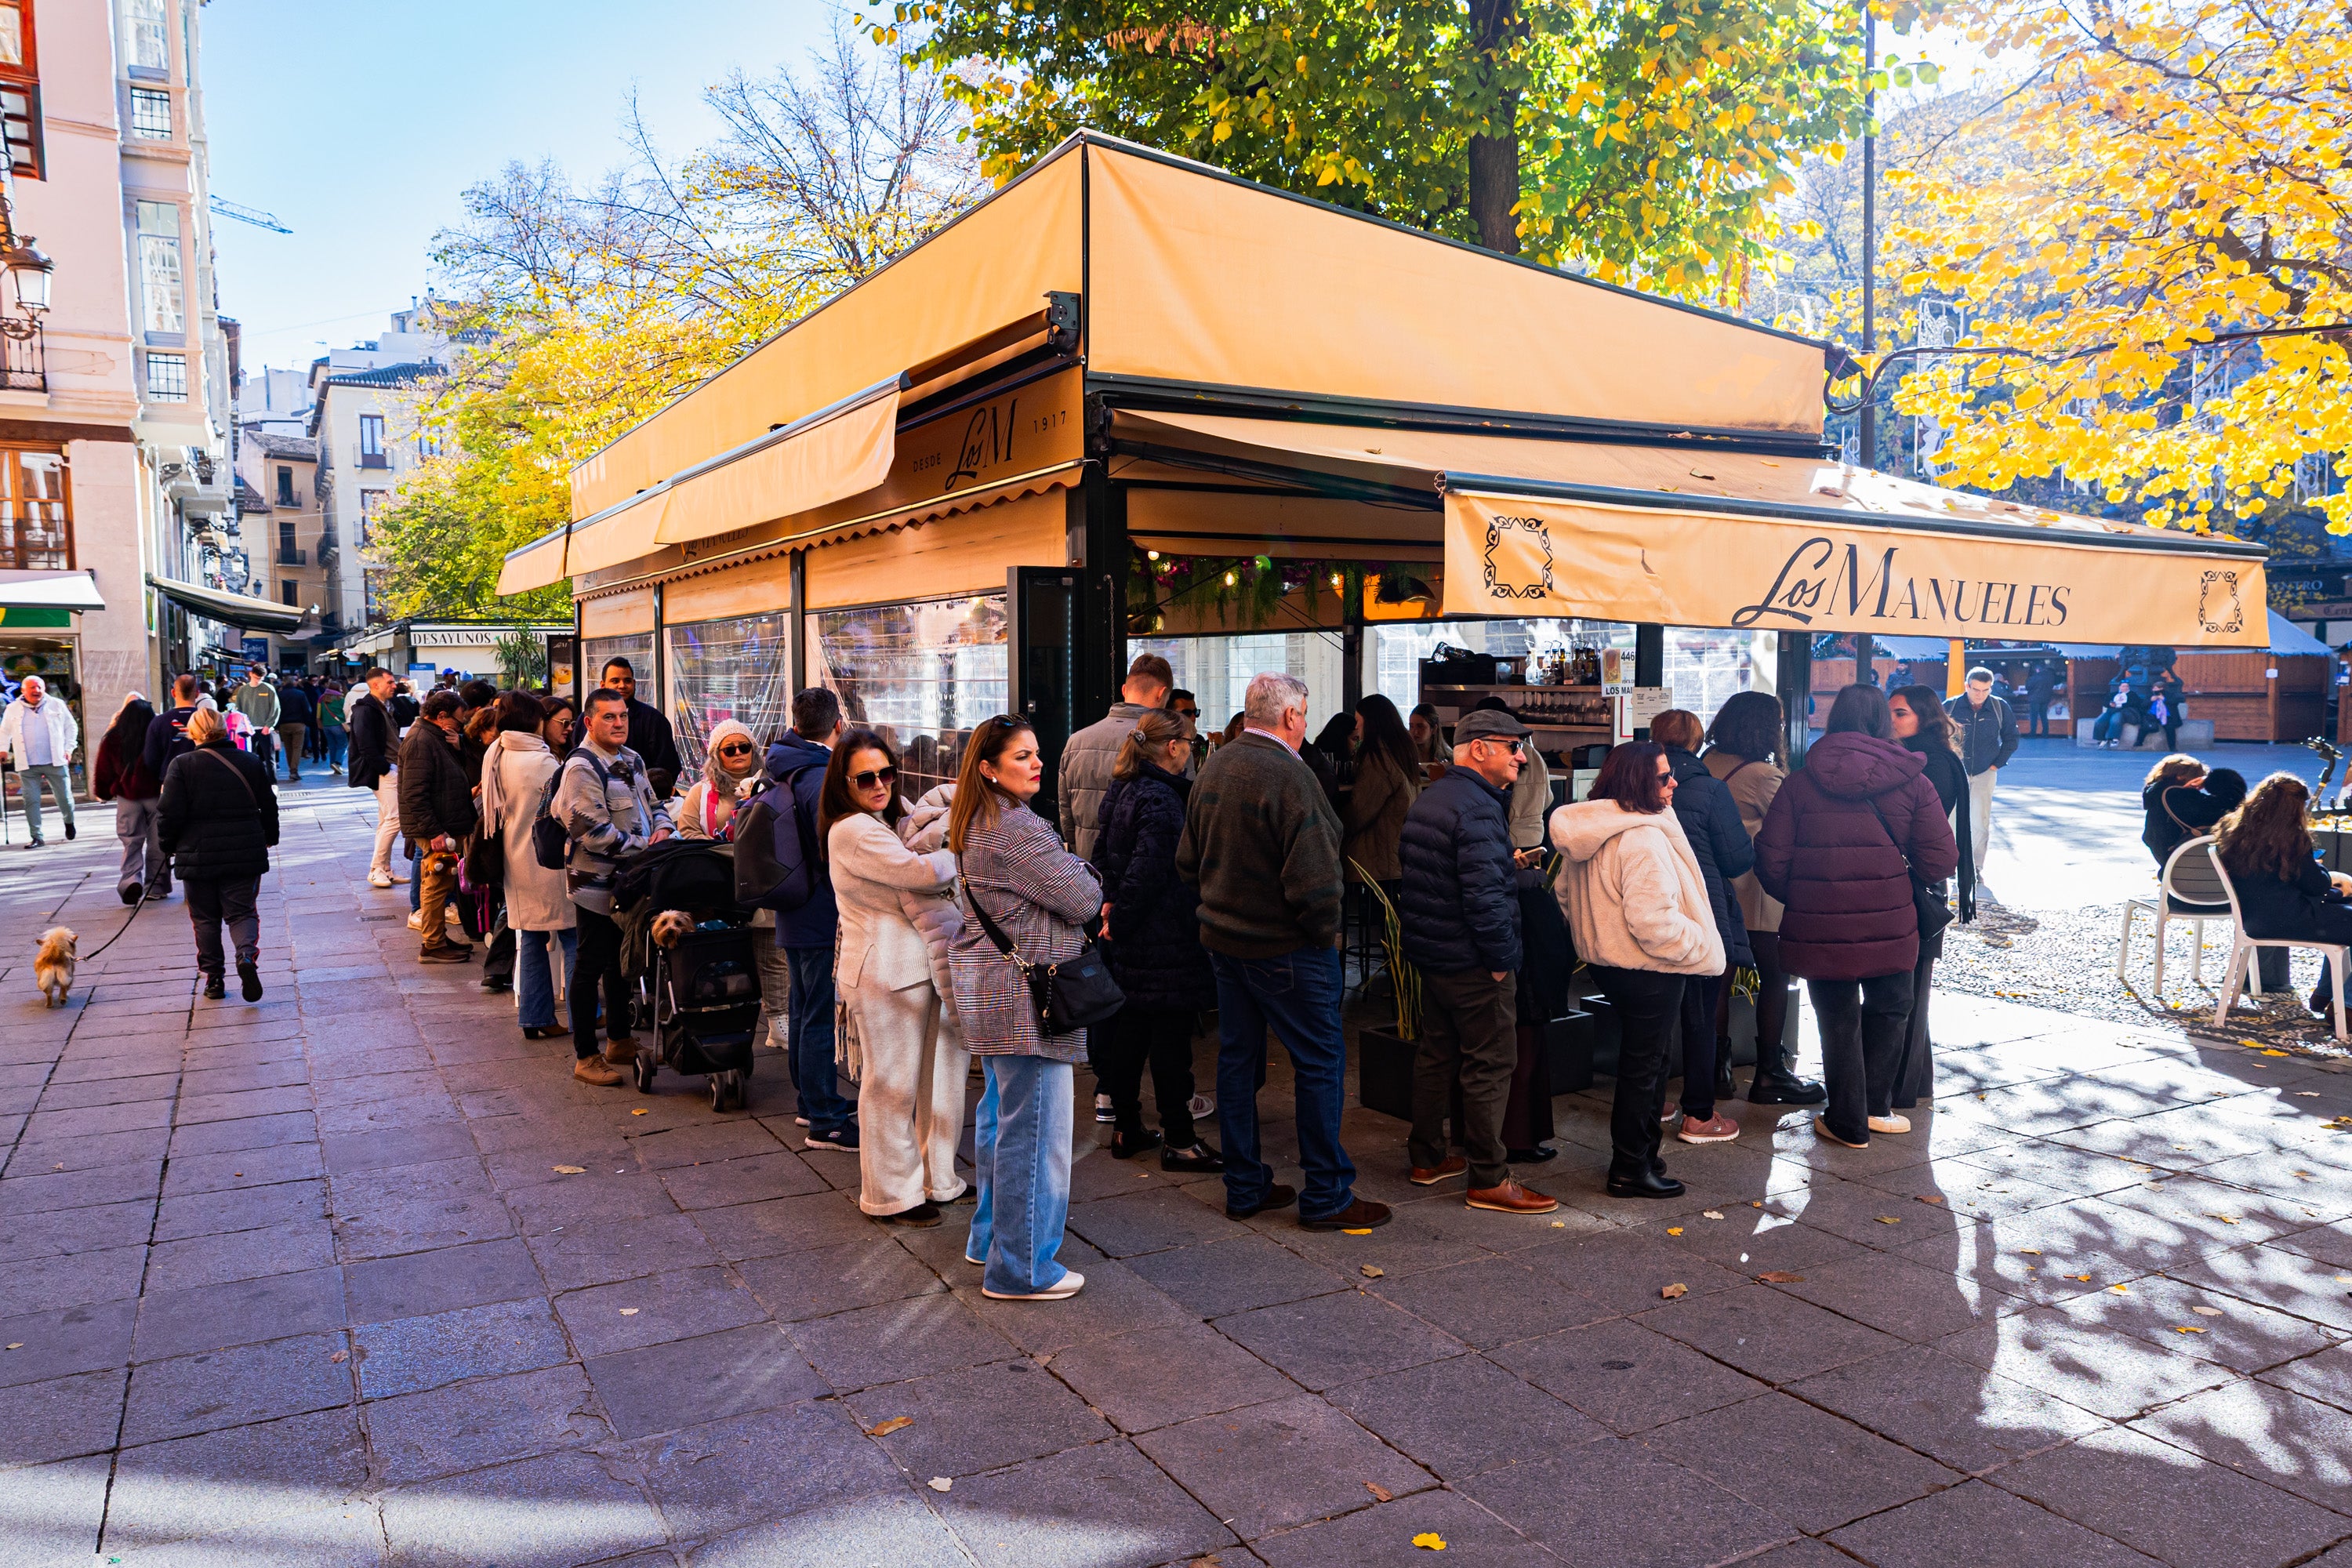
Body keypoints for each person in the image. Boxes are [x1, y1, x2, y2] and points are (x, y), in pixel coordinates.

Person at [1177, 672, 1390, 1231]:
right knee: (1320, 1064)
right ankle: (1327, 1196)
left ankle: (1244, 1186)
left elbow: (1186, 861)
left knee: (1237, 1063)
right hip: (1287, 949)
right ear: (1293, 717)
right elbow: (1318, 883)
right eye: (1305, 712)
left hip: (1225, 943)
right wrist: (1323, 934)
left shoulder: (1216, 764)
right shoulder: (1292, 779)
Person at [1756, 684, 1958, 1149]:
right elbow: (1940, 860)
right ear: (1882, 724)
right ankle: (1874, 1107)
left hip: (1820, 922)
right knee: (1891, 1007)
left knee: (1837, 1017)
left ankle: (1847, 1120)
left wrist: (1806, 894)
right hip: (1892, 923)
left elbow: (1771, 860)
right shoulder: (1914, 780)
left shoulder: (1801, 782)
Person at [949, 715, 1105, 1299]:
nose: (1037, 763)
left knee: (1001, 1123)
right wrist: (1082, 868)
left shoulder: (977, 820)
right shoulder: (1016, 829)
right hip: (1027, 1001)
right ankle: (1022, 1269)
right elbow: (1084, 896)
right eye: (1021, 756)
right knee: (1034, 1136)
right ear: (988, 768)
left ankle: (989, 1239)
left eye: (1037, 753)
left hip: (996, 993)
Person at [1398, 706, 1558, 1214]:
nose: (1521, 756)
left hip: (1434, 954)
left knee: (1436, 1055)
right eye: (1512, 746)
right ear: (1479, 748)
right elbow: (1485, 897)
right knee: (1491, 1064)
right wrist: (1499, 962)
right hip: (1472, 961)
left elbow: (1432, 878)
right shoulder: (1476, 807)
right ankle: (1490, 1178)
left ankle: (1426, 1158)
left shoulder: (1435, 797)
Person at [1551, 742, 1724, 1198]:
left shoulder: (1590, 828)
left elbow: (1564, 895)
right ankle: (1630, 1167)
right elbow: (1653, 921)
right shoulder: (1642, 836)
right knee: (1644, 1069)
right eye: (1663, 777)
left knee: (1646, 1063)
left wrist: (1597, 938)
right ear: (1635, 783)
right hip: (1650, 968)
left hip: (1610, 965)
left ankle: (1645, 1153)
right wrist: (1698, 944)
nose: (1674, 783)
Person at [826, 728, 967, 1228]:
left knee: (939, 1078)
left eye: (886, 773)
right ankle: (890, 1194)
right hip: (883, 972)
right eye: (866, 778)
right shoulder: (851, 830)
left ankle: (937, 1177)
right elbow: (921, 873)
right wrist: (962, 852)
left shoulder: (887, 819)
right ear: (844, 783)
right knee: (891, 1086)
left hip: (920, 965)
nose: (880, 784)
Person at [1091, 708, 1221, 1169]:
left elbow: (1101, 854)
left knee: (1131, 1032)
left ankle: (1127, 1127)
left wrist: (1110, 908)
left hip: (1133, 939)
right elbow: (1149, 872)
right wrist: (1122, 915)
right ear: (1173, 747)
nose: (1192, 751)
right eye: (1190, 742)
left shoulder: (1124, 787)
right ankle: (1181, 1140)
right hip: (1165, 938)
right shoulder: (1164, 800)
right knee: (1170, 1042)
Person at [1700, 692, 1821, 1105]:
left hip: (1714, 890)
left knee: (1719, 977)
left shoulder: (1706, 762)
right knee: (1774, 977)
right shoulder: (1765, 776)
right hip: (1758, 892)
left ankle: (1717, 1070)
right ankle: (1771, 1072)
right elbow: (1795, 830)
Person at [556, 687, 673, 1083]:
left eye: (622, 716)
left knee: (622, 963)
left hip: (632, 881)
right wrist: (646, 847)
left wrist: (665, 831)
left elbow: (656, 806)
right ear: (589, 722)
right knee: (590, 965)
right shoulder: (582, 767)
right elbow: (592, 833)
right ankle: (586, 1056)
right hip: (595, 884)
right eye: (609, 717)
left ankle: (620, 1040)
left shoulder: (633, 758)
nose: (619, 722)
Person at [1649, 708, 1753, 1143]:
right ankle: (1698, 1114)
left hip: (1652, 912)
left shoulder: (1629, 784)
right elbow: (1736, 859)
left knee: (1652, 1014)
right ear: (1695, 742)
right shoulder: (1710, 789)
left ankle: (1653, 1102)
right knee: (1701, 1015)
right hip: (1703, 914)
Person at [766, 688, 856, 1149]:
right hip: (819, 906)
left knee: (804, 1008)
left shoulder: (782, 762)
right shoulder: (818, 777)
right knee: (818, 1013)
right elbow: (834, 849)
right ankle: (825, 1117)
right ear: (837, 726)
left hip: (793, 904)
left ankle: (811, 1101)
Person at [1888, 685, 1976, 1111]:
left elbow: (1924, 828)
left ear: (1924, 716)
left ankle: (1903, 1086)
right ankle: (1913, 1080)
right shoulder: (1911, 756)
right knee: (1904, 988)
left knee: (1911, 987)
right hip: (1909, 879)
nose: (1892, 720)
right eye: (1890, 712)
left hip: (1920, 882)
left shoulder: (1933, 763)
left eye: (1901, 713)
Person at [156, 706, 278, 1002]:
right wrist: (269, 838)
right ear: (225, 729)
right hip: (244, 850)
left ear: (193, 732)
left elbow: (168, 813)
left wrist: (168, 845)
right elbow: (268, 804)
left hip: (197, 853)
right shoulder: (250, 761)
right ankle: (246, 956)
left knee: (205, 918)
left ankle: (214, 979)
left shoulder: (182, 765)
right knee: (242, 912)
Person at [2216, 773, 2352, 1017]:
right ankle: (2347, 1006)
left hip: (2253, 919)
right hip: (2290, 919)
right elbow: (2317, 886)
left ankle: (2326, 995)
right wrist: (2316, 865)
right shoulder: (2291, 838)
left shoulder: (2233, 829)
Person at [483, 691, 576, 1043]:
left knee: (533, 939)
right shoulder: (541, 763)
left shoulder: (499, 753)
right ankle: (588, 1015)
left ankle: (535, 1016)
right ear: (533, 720)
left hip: (516, 859)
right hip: (547, 863)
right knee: (574, 935)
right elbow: (566, 812)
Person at [1058, 652, 1173, 861]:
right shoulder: (1168, 743)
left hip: (1088, 867)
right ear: (1161, 693)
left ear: (1124, 690)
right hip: (1145, 867)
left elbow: (1066, 817)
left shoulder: (1076, 741)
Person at [398, 690, 476, 964]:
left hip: (445, 822)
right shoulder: (421, 740)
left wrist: (458, 746)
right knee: (435, 882)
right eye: (458, 720)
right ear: (441, 716)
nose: (461, 725)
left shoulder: (436, 737)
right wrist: (434, 832)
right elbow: (414, 793)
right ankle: (432, 943)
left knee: (439, 883)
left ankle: (437, 938)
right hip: (437, 826)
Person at [1343, 694, 1422, 897]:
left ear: (1371, 724)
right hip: (1400, 855)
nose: (1358, 730)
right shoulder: (1403, 752)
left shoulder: (1378, 758)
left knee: (1377, 923)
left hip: (1377, 861)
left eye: (1359, 723)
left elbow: (1360, 812)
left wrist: (1335, 824)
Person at [93, 695, 169, 904]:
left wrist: (103, 792)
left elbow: (103, 769)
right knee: (158, 842)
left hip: (128, 796)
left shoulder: (112, 738)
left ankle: (130, 880)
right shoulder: (156, 735)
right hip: (156, 795)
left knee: (131, 841)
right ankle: (156, 886)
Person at [1944, 667, 2015, 880]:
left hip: (1985, 771)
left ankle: (1974, 867)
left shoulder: (1999, 707)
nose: (1980, 695)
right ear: (1967, 686)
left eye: (1985, 690)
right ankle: (1950, 865)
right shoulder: (1951, 706)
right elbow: (1937, 735)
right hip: (1956, 772)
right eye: (1976, 690)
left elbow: (2012, 738)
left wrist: (1997, 764)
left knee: (1979, 822)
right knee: (1951, 820)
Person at [0, 674, 78, 848]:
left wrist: (68, 749)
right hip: (27, 763)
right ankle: (37, 836)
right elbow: (4, 731)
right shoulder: (12, 708)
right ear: (23, 691)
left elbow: (71, 727)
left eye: (39, 687)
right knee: (31, 800)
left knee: (64, 797)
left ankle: (69, 821)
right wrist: (3, 750)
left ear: (44, 689)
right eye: (32, 688)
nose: (36, 691)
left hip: (55, 760)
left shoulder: (56, 704)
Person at [348, 667, 403, 888]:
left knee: (385, 820)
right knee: (395, 818)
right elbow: (365, 745)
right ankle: (376, 868)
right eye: (390, 682)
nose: (394, 685)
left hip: (391, 768)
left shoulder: (385, 706)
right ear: (376, 685)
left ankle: (385, 869)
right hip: (385, 771)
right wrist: (385, 769)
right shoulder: (366, 710)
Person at [598, 658, 681, 799]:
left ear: (634, 683)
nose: (622, 685)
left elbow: (667, 770)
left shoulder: (654, 720)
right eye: (615, 681)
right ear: (603, 685)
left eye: (627, 681)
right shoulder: (587, 720)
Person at [676, 719, 765, 842]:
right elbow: (688, 832)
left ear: (752, 751)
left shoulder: (768, 785)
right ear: (717, 756)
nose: (738, 753)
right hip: (714, 857)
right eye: (730, 750)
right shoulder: (699, 792)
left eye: (744, 747)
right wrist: (724, 850)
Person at [2140, 753, 2211, 867]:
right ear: (2181, 777)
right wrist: (2214, 782)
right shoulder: (2181, 796)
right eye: (2197, 776)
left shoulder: (2156, 793)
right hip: (2188, 860)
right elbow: (2228, 807)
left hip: (2169, 857)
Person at [144, 673, 205, 782]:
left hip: (171, 781)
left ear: (173, 693)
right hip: (203, 780)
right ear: (197, 694)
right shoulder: (208, 721)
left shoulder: (159, 722)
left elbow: (151, 760)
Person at [229, 666, 281, 779]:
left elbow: (275, 708)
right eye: (256, 678)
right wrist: (242, 727)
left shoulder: (268, 688)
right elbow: (239, 709)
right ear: (251, 674)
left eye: (261, 679)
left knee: (269, 758)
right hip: (248, 730)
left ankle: (272, 782)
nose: (258, 681)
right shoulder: (243, 690)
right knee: (249, 758)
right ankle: (252, 781)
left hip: (264, 729)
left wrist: (268, 725)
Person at [276, 674, 314, 782]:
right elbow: (307, 710)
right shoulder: (300, 694)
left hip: (284, 724)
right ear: (294, 683)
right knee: (297, 748)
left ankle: (291, 770)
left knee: (288, 749)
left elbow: (276, 710)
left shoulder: (280, 695)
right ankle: (294, 771)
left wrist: (277, 725)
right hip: (298, 723)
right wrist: (307, 722)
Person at [318, 683, 349, 775]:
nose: (341, 689)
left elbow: (318, 713)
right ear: (336, 689)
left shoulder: (322, 699)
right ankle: (337, 763)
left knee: (332, 746)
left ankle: (333, 763)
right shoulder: (340, 699)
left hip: (326, 725)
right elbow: (346, 711)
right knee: (342, 745)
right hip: (338, 725)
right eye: (340, 688)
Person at [2023, 664, 2060, 739]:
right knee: (2044, 716)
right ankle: (2045, 733)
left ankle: (2033, 734)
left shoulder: (2035, 677)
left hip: (2035, 699)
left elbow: (2028, 687)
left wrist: (2027, 680)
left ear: (2037, 670)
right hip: (2046, 698)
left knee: (2034, 717)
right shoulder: (2050, 677)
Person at [1408, 702, 1446, 768]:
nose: (1415, 732)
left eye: (1420, 726)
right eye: (1411, 726)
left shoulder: (1447, 758)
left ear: (1434, 729)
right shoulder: (1405, 755)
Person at [541, 693, 576, 760]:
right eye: (565, 723)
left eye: (571, 723)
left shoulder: (568, 752)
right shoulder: (541, 757)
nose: (570, 728)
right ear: (545, 721)